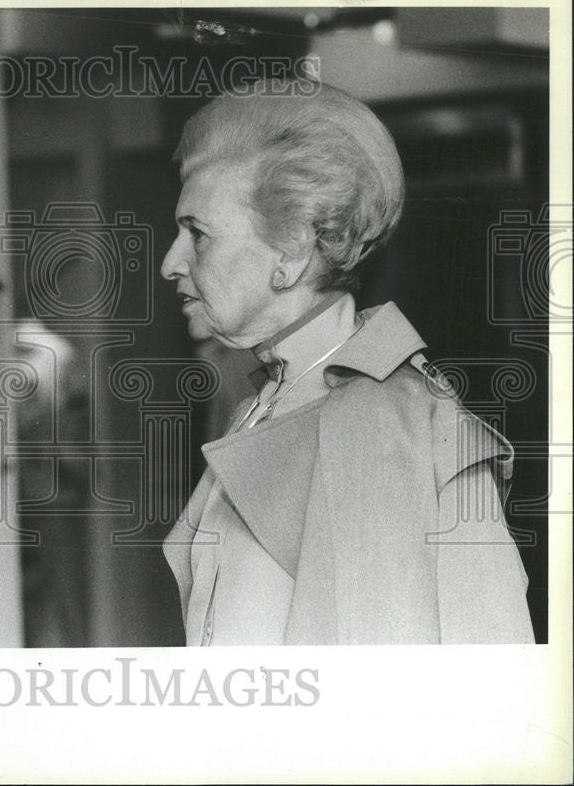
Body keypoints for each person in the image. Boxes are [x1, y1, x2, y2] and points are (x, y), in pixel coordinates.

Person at [160, 80, 534, 645]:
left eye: (198, 234)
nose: (171, 262)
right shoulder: (269, 402)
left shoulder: (374, 421)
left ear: (289, 252)